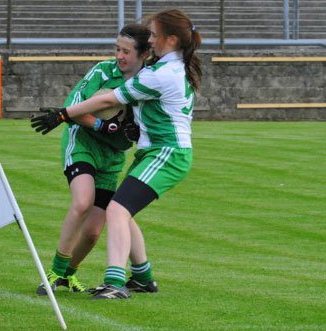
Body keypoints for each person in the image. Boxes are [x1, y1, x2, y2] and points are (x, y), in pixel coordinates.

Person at [31, 8, 202, 299]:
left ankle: (114, 282)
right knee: (123, 211)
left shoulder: (159, 74)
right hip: (155, 152)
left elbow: (110, 98)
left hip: (166, 153)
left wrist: (62, 115)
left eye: (154, 34)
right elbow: (109, 102)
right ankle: (143, 278)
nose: (150, 39)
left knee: (116, 210)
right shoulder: (163, 69)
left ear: (171, 40)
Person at [32, 23, 157, 295]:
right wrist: (102, 126)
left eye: (126, 51)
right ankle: (53, 272)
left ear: (144, 54)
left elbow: (148, 125)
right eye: (117, 49)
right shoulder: (102, 71)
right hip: (83, 144)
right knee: (82, 201)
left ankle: (68, 275)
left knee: (92, 232)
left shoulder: (149, 81)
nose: (119, 56)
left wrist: (135, 131)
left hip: (112, 157)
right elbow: (74, 109)